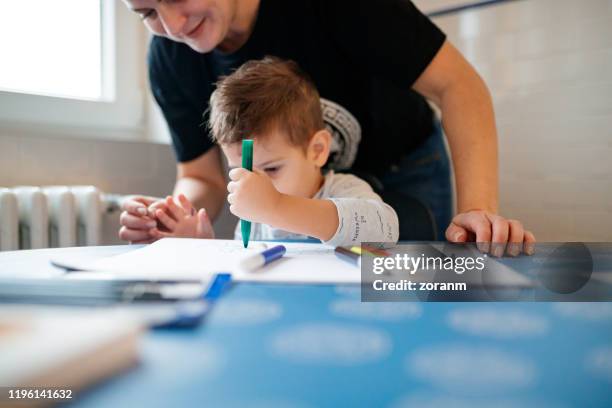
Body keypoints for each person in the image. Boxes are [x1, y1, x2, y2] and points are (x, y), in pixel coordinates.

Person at [119, 0, 535, 257]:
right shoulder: (170, 58)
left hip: (405, 163)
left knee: (410, 282)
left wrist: (478, 211)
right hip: (302, 197)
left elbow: (458, 85)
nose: (172, 26)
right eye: (148, 12)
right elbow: (199, 176)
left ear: (320, 147)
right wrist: (173, 216)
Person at [149, 57, 399, 246]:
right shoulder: (255, 211)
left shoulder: (342, 189)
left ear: (318, 150)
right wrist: (200, 244)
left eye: (272, 168)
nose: (256, 184)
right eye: (241, 172)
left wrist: (277, 206)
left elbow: (385, 230)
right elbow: (244, 269)